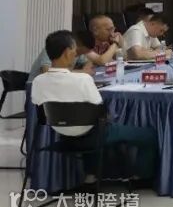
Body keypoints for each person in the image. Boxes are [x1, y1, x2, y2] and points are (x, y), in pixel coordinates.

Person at [31, 30, 159, 188]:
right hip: (93, 136)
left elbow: (40, 106)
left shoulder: (37, 81)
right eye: (74, 50)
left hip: (61, 134)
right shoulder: (83, 79)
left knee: (90, 125)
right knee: (149, 135)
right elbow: (100, 111)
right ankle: (141, 179)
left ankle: (90, 177)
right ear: (67, 52)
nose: (76, 54)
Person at [29, 30, 94, 82]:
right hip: (37, 85)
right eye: (79, 52)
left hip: (57, 83)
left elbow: (89, 62)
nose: (76, 55)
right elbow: (46, 72)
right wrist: (81, 72)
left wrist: (86, 69)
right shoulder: (52, 48)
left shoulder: (78, 53)